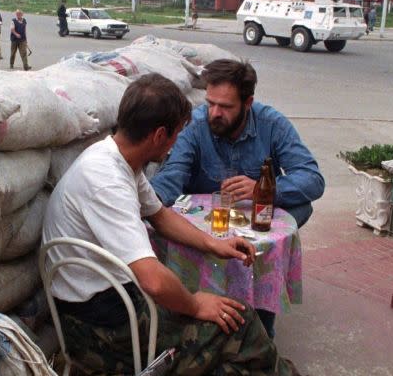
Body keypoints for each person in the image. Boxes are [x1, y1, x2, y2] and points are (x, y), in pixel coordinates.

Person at [42, 73, 299, 375]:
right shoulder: (106, 181)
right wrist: (194, 304)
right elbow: (153, 281)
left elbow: (160, 216)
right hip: (102, 327)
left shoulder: (119, 159)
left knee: (222, 321)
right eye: (176, 134)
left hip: (111, 302)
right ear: (159, 135)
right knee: (240, 320)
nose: (175, 144)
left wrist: (215, 244)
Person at [150, 59, 324, 339]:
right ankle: (191, 315)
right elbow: (173, 172)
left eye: (226, 107)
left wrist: (263, 190)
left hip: (254, 223)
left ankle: (262, 328)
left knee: (300, 206)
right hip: (206, 223)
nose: (214, 113)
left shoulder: (272, 124)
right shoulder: (195, 125)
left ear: (248, 102)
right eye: (211, 103)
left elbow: (313, 179)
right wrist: (148, 202)